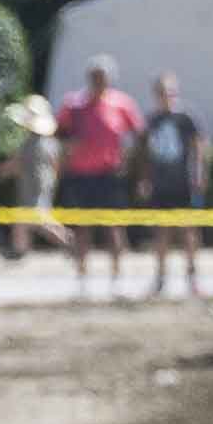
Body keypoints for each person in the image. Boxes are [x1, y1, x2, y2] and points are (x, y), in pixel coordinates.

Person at [55, 57, 144, 293]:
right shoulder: (73, 105)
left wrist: (131, 163)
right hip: (80, 175)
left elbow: (139, 137)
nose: (98, 82)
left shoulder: (122, 104)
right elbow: (58, 134)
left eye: (102, 78)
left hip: (109, 176)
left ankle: (117, 279)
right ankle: (82, 279)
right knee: (82, 229)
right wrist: (68, 146)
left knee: (114, 227)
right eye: (94, 77)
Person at [139, 68, 210, 299]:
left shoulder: (186, 118)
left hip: (183, 184)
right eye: (162, 92)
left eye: (170, 92)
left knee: (189, 232)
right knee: (161, 234)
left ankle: (192, 278)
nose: (166, 96)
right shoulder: (152, 120)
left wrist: (199, 174)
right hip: (161, 185)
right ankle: (160, 278)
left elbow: (199, 147)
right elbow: (146, 154)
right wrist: (145, 179)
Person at [0, 89, 57, 260]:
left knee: (41, 221)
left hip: (32, 187)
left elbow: (18, 163)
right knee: (23, 220)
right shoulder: (49, 143)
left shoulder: (31, 143)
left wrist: (3, 171)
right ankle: (19, 249)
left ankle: (68, 242)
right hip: (42, 185)